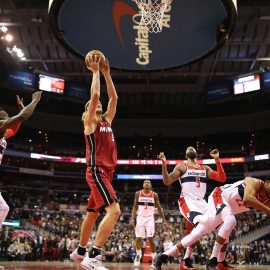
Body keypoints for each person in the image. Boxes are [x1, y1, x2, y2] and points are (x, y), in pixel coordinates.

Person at [70, 51, 120, 270]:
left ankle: (80, 251)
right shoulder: (90, 123)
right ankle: (94, 256)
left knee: (92, 214)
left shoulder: (107, 120)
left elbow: (114, 99)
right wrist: (96, 72)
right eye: (91, 105)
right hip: (97, 170)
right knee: (115, 211)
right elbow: (97, 96)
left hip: (107, 172)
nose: (97, 105)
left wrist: (107, 74)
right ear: (87, 112)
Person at [151, 177, 270, 270]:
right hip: (219, 195)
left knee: (199, 232)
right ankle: (213, 260)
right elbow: (247, 199)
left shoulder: (267, 200)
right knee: (230, 221)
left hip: (226, 207)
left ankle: (162, 256)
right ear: (267, 183)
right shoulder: (254, 182)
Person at [158, 147, 226, 269]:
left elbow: (222, 178)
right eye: (188, 148)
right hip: (188, 201)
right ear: (186, 155)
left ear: (196, 153)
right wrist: (164, 164)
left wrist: (217, 160)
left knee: (223, 225)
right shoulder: (182, 167)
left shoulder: (205, 168)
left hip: (202, 203)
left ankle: (218, 262)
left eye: (192, 147)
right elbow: (167, 181)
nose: (190, 148)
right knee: (201, 226)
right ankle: (172, 257)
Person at [0, 91, 42, 228]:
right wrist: (34, 101)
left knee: (4, 208)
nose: (7, 117)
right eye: (4, 116)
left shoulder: (4, 135)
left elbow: (14, 129)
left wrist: (20, 109)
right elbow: (22, 116)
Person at [129, 179, 167, 267]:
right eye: (145, 182)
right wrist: (132, 219)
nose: (147, 183)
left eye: (148, 182)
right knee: (138, 238)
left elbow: (159, 208)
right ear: (143, 185)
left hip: (150, 218)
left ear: (151, 185)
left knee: (150, 238)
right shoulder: (138, 193)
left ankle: (154, 257)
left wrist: (164, 219)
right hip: (140, 218)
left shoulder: (154, 195)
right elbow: (135, 207)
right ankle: (138, 255)